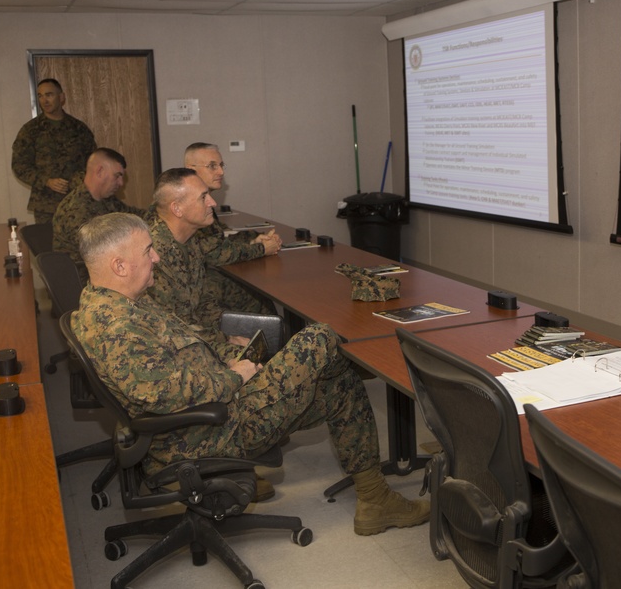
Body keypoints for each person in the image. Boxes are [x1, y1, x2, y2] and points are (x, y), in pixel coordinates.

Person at [71, 212, 429, 535]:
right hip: (208, 430)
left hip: (208, 412)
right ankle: (387, 377)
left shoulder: (118, 303)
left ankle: (374, 500)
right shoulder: (117, 327)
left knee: (339, 386)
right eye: (148, 251)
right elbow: (166, 395)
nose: (157, 257)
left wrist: (228, 359)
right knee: (320, 338)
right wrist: (236, 376)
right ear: (119, 266)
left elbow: (184, 350)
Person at [147, 168, 281, 347]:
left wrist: (229, 329)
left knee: (268, 331)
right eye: (203, 197)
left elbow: (199, 301)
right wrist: (226, 339)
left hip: (195, 335)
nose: (212, 202)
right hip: (178, 347)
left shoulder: (190, 239)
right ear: (177, 209)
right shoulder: (154, 253)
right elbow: (176, 326)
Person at [184, 142, 280, 315]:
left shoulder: (202, 200)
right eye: (212, 166)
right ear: (191, 169)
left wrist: (253, 240)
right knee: (256, 296)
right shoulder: (190, 204)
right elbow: (216, 254)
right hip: (194, 286)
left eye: (221, 165)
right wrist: (261, 248)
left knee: (257, 292)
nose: (221, 172)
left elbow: (217, 241)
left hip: (199, 277)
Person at [11, 78, 97, 224]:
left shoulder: (79, 128)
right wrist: (46, 181)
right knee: (46, 245)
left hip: (77, 201)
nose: (44, 100)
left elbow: (93, 162)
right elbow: (20, 166)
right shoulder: (30, 130)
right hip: (46, 205)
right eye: (40, 96)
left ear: (61, 97)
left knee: (80, 245)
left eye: (49, 95)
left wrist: (78, 181)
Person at [53, 147, 144, 276]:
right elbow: (99, 253)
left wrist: (161, 209)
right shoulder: (76, 209)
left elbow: (131, 215)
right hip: (85, 279)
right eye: (117, 176)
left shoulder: (105, 199)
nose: (121, 183)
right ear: (100, 171)